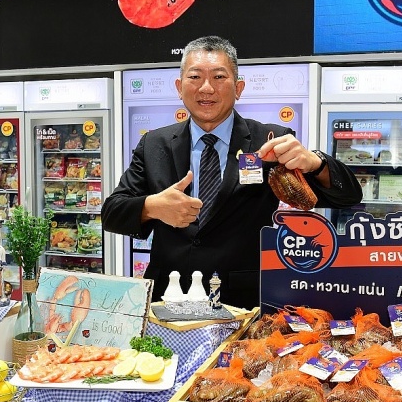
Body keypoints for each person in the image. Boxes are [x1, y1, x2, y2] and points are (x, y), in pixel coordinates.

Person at [101, 36, 362, 308]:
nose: (206, 88)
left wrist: (316, 163)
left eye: (218, 77)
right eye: (195, 77)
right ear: (179, 87)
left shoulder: (270, 140)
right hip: (169, 298)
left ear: (238, 88)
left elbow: (348, 196)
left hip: (241, 302)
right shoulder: (155, 144)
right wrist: (152, 207)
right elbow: (112, 213)